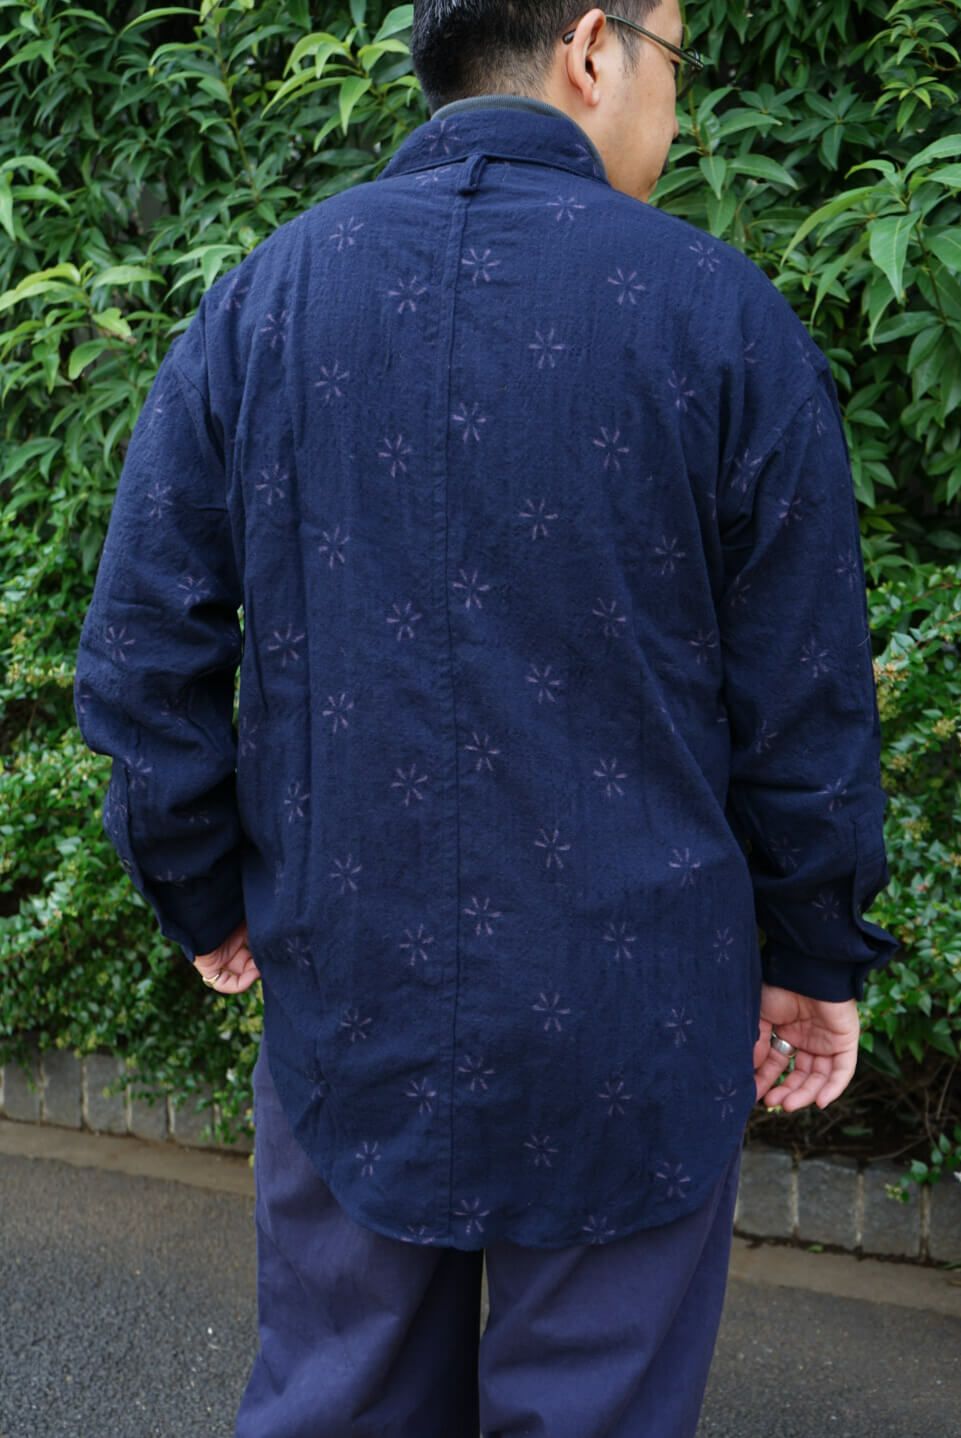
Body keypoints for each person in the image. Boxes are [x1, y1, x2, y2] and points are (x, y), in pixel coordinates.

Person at [73, 3, 901, 1434]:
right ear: (592, 49)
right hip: (640, 1011)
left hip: (350, 988)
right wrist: (814, 944)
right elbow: (803, 697)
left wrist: (201, 891)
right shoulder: (720, 315)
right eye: (675, 59)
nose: (677, 107)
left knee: (339, 1402)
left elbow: (143, 655)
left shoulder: (266, 301)